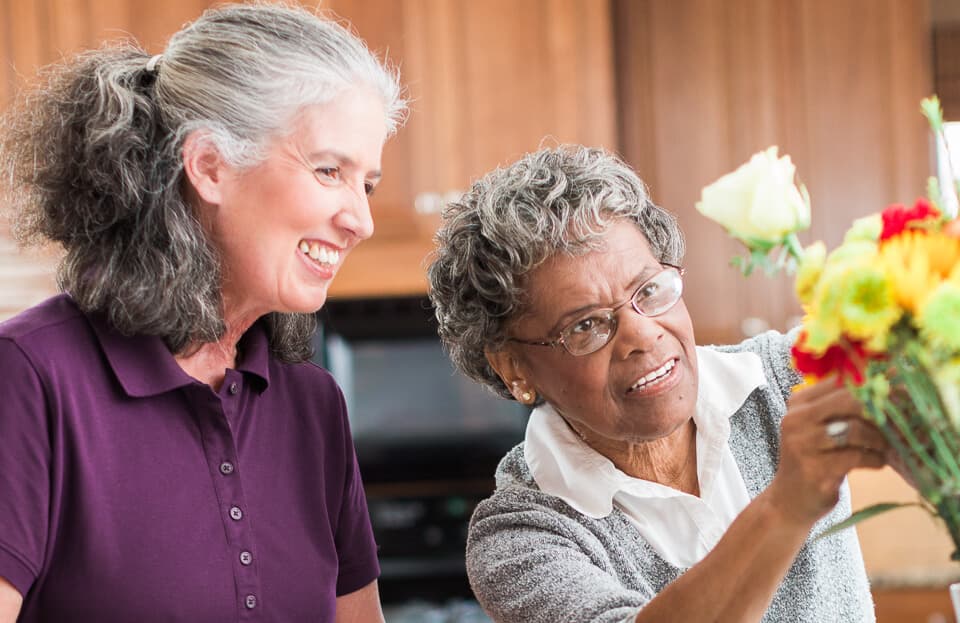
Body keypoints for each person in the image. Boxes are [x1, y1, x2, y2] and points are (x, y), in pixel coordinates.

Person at [0, 3, 405, 621]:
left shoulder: (312, 403)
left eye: (367, 184)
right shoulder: (29, 375)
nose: (362, 220)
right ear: (211, 166)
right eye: (329, 171)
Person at [427, 145, 891, 622]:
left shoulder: (786, 376)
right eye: (586, 325)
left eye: (649, 291)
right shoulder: (523, 536)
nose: (642, 335)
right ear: (513, 368)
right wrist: (787, 504)